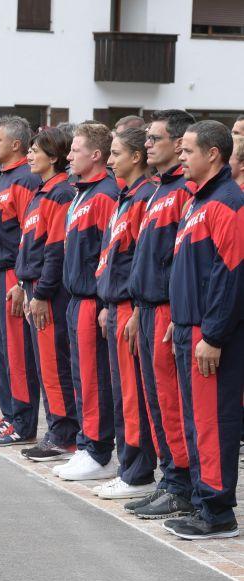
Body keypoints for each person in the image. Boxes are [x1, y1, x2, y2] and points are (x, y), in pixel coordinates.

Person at [164, 120, 243, 540]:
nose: (181, 156)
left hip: (208, 335)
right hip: (188, 327)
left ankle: (217, 512)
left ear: (213, 154)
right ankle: (202, 500)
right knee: (196, 422)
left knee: (213, 422)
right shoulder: (198, 200)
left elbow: (231, 276)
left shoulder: (228, 203)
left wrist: (212, 335)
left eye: (188, 150)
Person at [125, 109, 198, 519]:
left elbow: (179, 260)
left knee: (172, 402)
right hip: (147, 308)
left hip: (169, 309)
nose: (147, 144)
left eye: (155, 138)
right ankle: (169, 478)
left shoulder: (184, 191)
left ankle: (182, 484)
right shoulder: (158, 189)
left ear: (178, 141)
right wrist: (137, 308)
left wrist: (175, 311)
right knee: (155, 401)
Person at [94, 127, 158, 500]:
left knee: (133, 395)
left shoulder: (143, 197)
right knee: (123, 393)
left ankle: (137, 471)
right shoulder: (125, 195)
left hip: (130, 307)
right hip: (114, 304)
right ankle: (129, 465)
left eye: (116, 153)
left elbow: (139, 260)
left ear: (136, 157)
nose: (110, 159)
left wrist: (132, 307)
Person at [53, 122, 120, 482]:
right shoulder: (81, 191)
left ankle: (98, 450)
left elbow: (109, 251)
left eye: (75, 150)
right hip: (75, 295)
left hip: (93, 299)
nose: (69, 156)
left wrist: (103, 299)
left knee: (94, 377)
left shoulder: (106, 194)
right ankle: (86, 443)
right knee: (81, 376)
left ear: (96, 155)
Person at [16, 127, 80, 462]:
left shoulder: (60, 194)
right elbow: (30, 243)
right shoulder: (44, 192)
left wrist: (41, 292)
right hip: (35, 287)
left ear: (54, 157)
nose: (28, 155)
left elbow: (55, 250)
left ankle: (63, 433)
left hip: (50, 294)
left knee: (55, 366)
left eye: (35, 150)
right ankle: (56, 427)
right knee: (46, 366)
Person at [0, 115, 41, 441]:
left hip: (10, 277)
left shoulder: (26, 180)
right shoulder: (4, 177)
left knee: (17, 352)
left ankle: (22, 422)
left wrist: (20, 282)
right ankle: (9, 415)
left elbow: (29, 236)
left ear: (16, 144)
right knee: (1, 352)